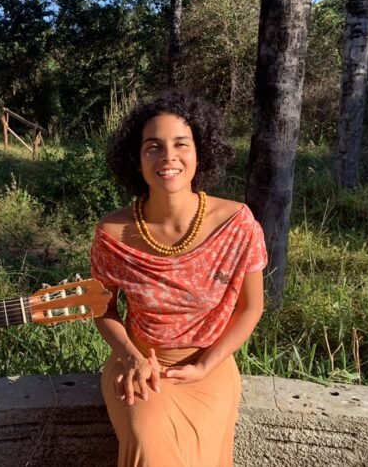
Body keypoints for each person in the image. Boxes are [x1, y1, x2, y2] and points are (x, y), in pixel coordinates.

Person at [91, 90, 267, 466]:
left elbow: (251, 308)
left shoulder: (237, 223)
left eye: (181, 144)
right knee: (148, 446)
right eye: (153, 146)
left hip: (211, 365)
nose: (168, 157)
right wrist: (132, 358)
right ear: (136, 160)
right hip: (140, 366)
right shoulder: (111, 232)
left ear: (199, 153)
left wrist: (207, 364)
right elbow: (102, 309)